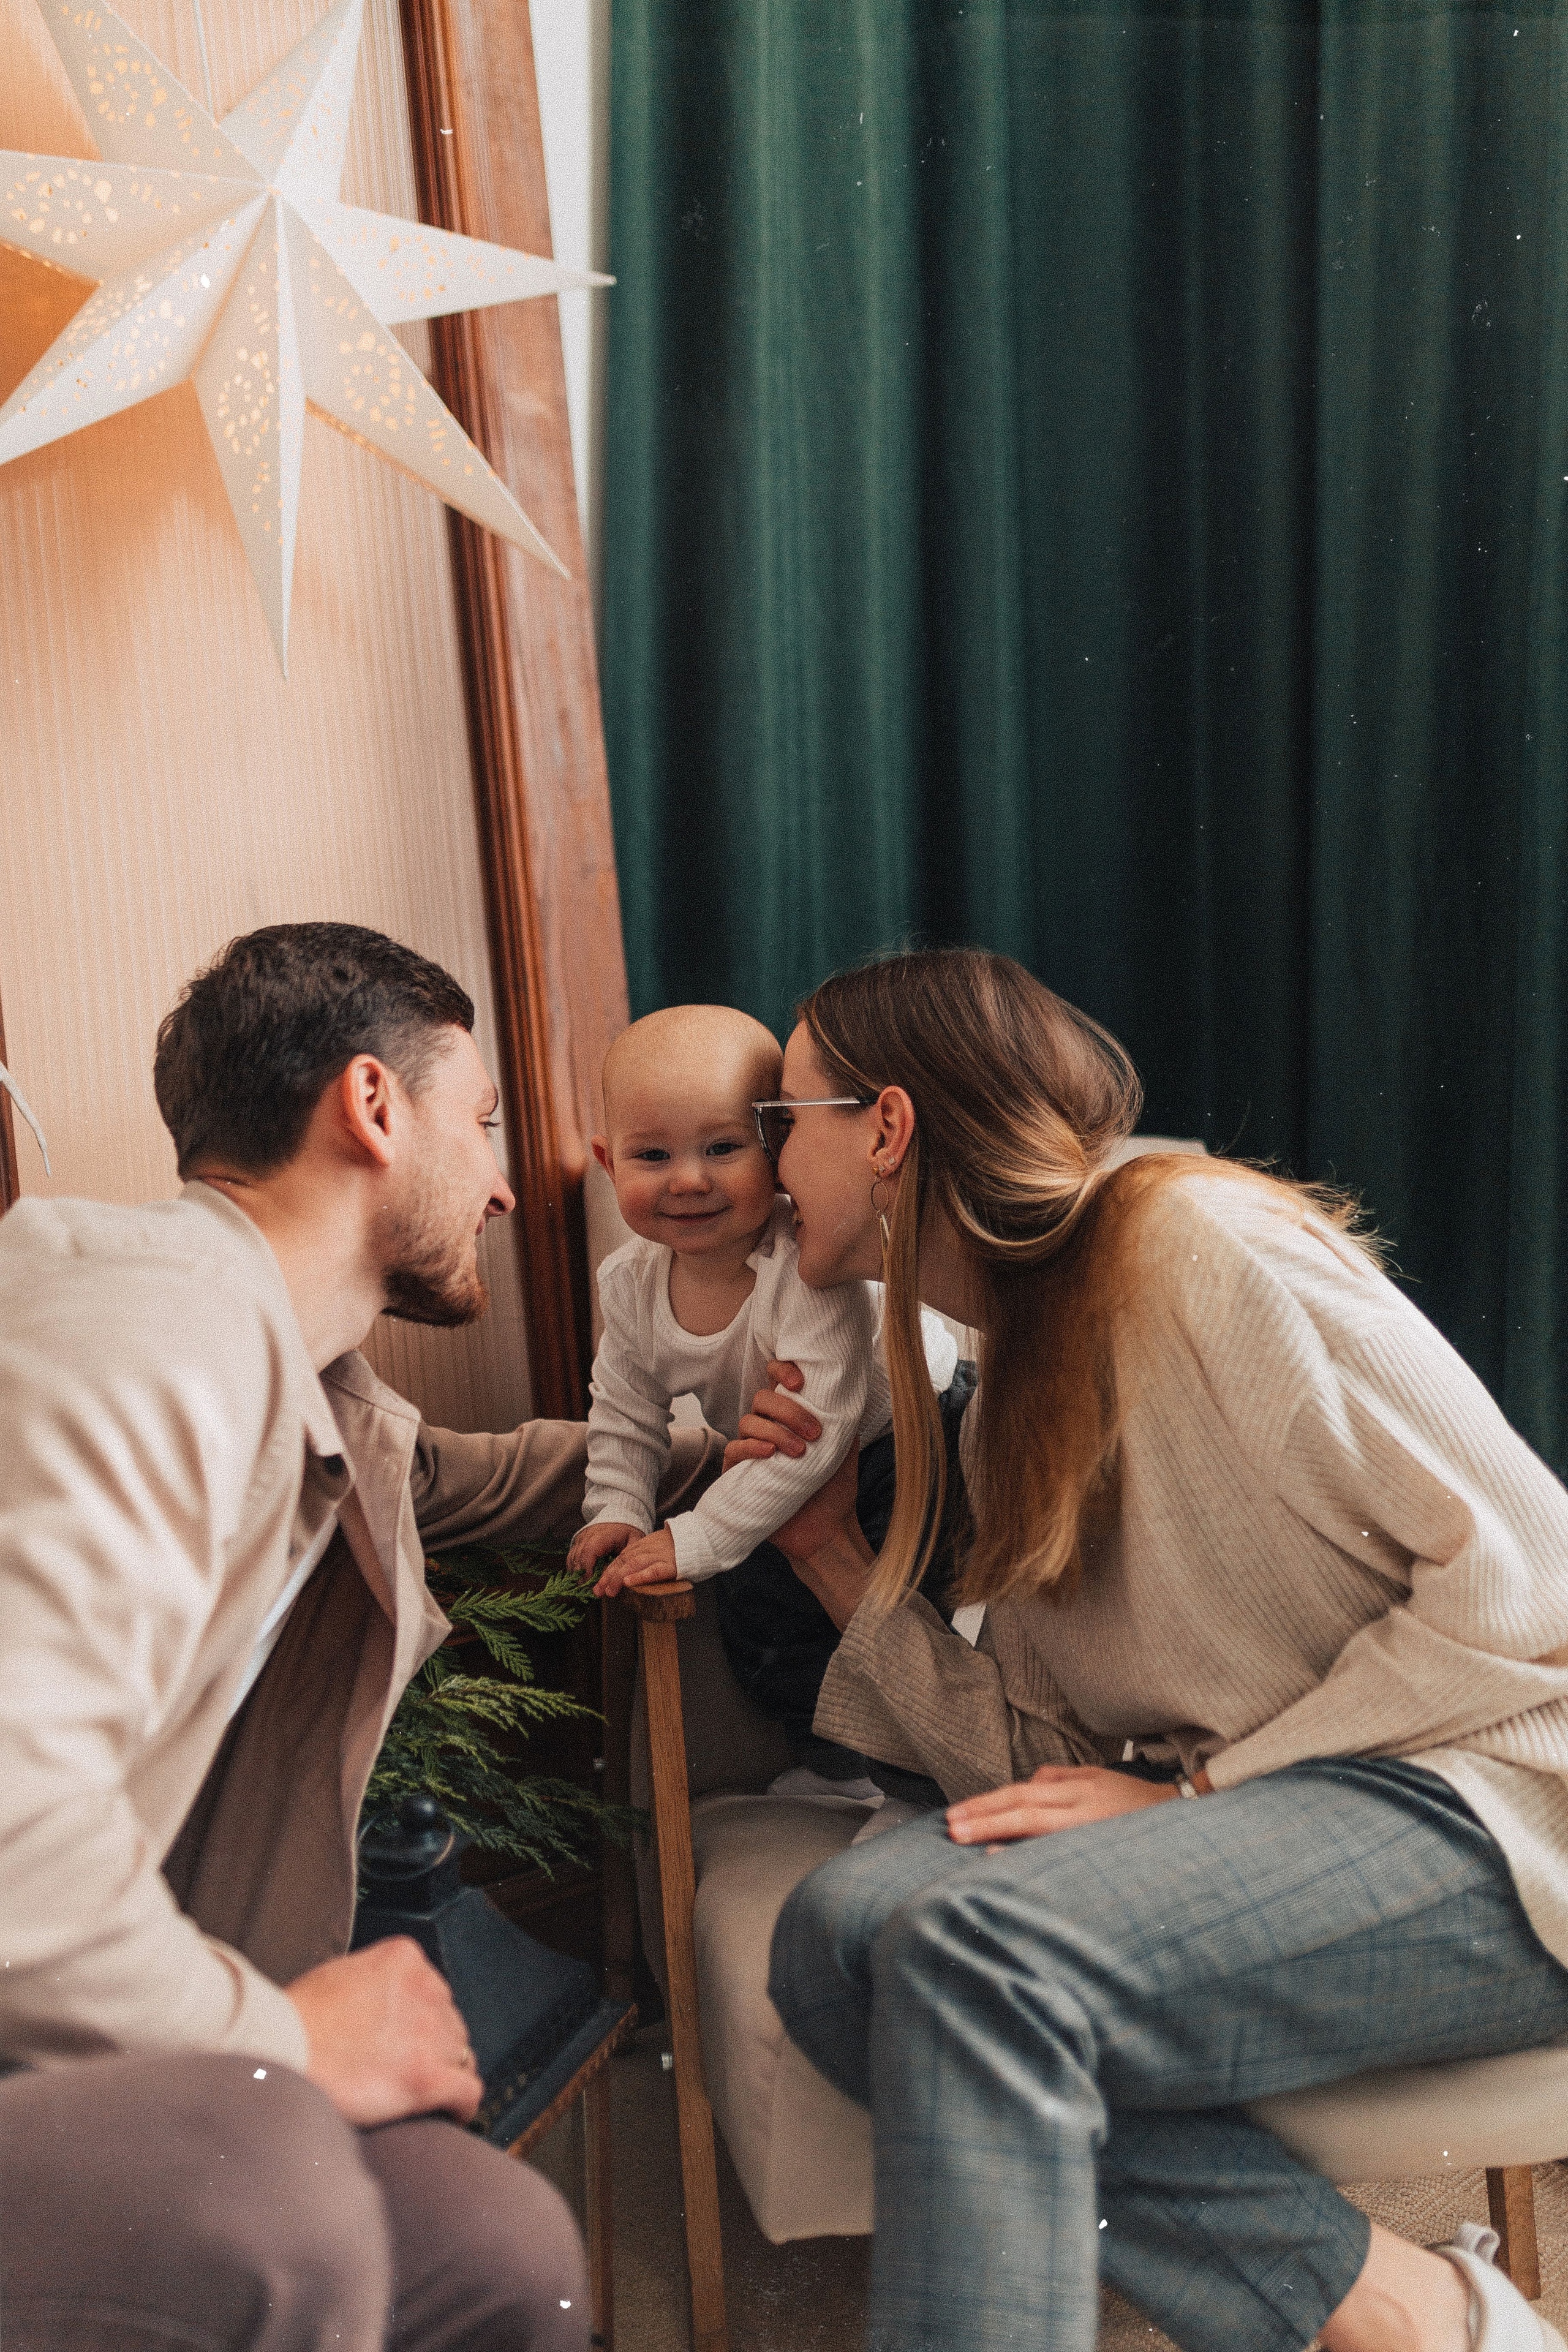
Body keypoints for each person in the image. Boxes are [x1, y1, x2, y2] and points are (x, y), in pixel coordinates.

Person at [723, 947, 1568, 2352]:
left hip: (1501, 1803)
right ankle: (1409, 2309)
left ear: (881, 1126)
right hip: (1300, 1809)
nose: (766, 1165)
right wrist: (821, 1547)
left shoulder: (1193, 1244)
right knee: (841, 1940)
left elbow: (1533, 1574)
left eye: (780, 1120)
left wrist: (1198, 1794)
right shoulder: (1002, 1398)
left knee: (976, 1951)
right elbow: (1041, 1767)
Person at [0, 922, 720, 2352]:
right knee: (271, 2197)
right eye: (486, 1120)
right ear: (372, 1106)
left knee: (495, 2242)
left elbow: (484, 1475)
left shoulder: (302, 1375)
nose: (509, 1181)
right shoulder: (152, 1333)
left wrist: (736, 1456)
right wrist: (281, 2038)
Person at [566, 1003, 964, 1775]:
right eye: (652, 1155)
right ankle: (838, 1770)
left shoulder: (807, 1269)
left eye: (721, 1147)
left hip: (912, 1438)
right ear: (609, 1163)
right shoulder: (629, 1286)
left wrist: (699, 1537)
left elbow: (820, 1425)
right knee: (758, 1625)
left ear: (776, 1148)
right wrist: (617, 1508)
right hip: (771, 1459)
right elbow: (622, 1412)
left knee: (920, 1606)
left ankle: (911, 1780)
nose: (688, 1180)